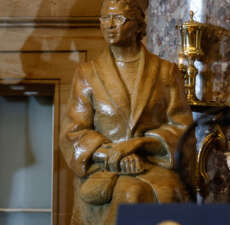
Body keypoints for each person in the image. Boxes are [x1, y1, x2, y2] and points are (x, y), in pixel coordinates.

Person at [60, 0, 195, 224]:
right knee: (130, 193)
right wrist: (114, 156)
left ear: (138, 25)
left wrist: (140, 144)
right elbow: (73, 134)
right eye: (104, 18)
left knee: (160, 193)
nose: (109, 25)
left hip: (155, 166)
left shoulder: (166, 72)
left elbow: (183, 130)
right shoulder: (87, 74)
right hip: (103, 171)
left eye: (118, 18)